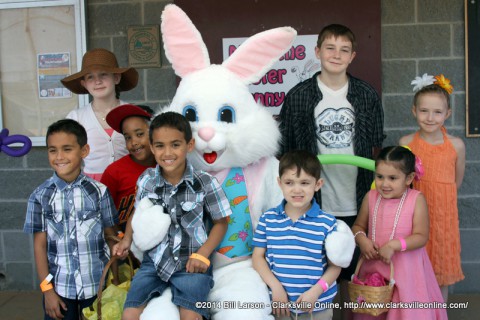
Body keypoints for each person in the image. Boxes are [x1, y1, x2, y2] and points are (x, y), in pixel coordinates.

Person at [278, 23, 384, 318]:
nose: (336, 55)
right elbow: (285, 150)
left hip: (357, 199)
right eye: (330, 48)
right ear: (317, 51)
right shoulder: (298, 96)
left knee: (354, 273)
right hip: (313, 203)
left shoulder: (366, 95)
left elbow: (376, 145)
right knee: (318, 273)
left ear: (353, 56)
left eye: (344, 50)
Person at [112, 111, 232, 320]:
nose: (167, 152)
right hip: (154, 263)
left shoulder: (204, 182)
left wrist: (203, 254)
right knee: (129, 314)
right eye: (160, 146)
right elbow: (137, 214)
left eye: (175, 145)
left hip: (191, 264)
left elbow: (221, 222)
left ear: (190, 144)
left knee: (190, 316)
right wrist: (127, 240)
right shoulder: (147, 180)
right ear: (152, 147)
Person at [23, 119, 118, 320]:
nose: (59, 157)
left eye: (67, 149)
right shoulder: (40, 196)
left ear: (84, 151)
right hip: (59, 290)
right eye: (52, 150)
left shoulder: (100, 192)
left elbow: (111, 238)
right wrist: (47, 291)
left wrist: (115, 283)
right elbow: (39, 247)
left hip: (97, 288)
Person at [351, 146, 447, 319]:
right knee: (373, 311)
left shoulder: (416, 199)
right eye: (380, 177)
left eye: (392, 178)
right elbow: (358, 226)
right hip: (374, 268)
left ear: (409, 178)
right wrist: (362, 240)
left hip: (407, 270)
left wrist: (395, 245)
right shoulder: (371, 197)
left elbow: (421, 236)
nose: (384, 183)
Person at [399, 74, 466, 302]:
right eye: (424, 110)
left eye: (437, 112)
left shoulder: (456, 145)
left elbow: (456, 182)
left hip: (444, 219)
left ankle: (439, 313)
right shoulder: (407, 144)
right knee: (416, 269)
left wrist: (440, 200)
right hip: (415, 218)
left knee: (441, 272)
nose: (430, 117)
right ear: (414, 111)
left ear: (447, 114)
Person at [252, 150, 341, 320]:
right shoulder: (268, 219)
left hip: (317, 306)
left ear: (318, 184)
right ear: (279, 183)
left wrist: (316, 291)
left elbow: (335, 266)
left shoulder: (328, 223)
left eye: (305, 183)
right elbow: (257, 257)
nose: (297, 189)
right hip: (280, 305)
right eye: (289, 182)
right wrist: (275, 287)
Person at [61, 48, 139, 181]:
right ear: (84, 84)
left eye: (103, 74)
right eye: (90, 77)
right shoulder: (76, 118)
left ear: (116, 78)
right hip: (92, 188)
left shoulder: (132, 113)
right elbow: (67, 157)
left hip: (129, 184)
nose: (97, 81)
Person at [101, 104, 156, 233]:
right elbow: (103, 213)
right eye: (128, 137)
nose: (134, 142)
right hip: (124, 245)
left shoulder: (166, 167)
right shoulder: (114, 171)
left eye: (139, 134)